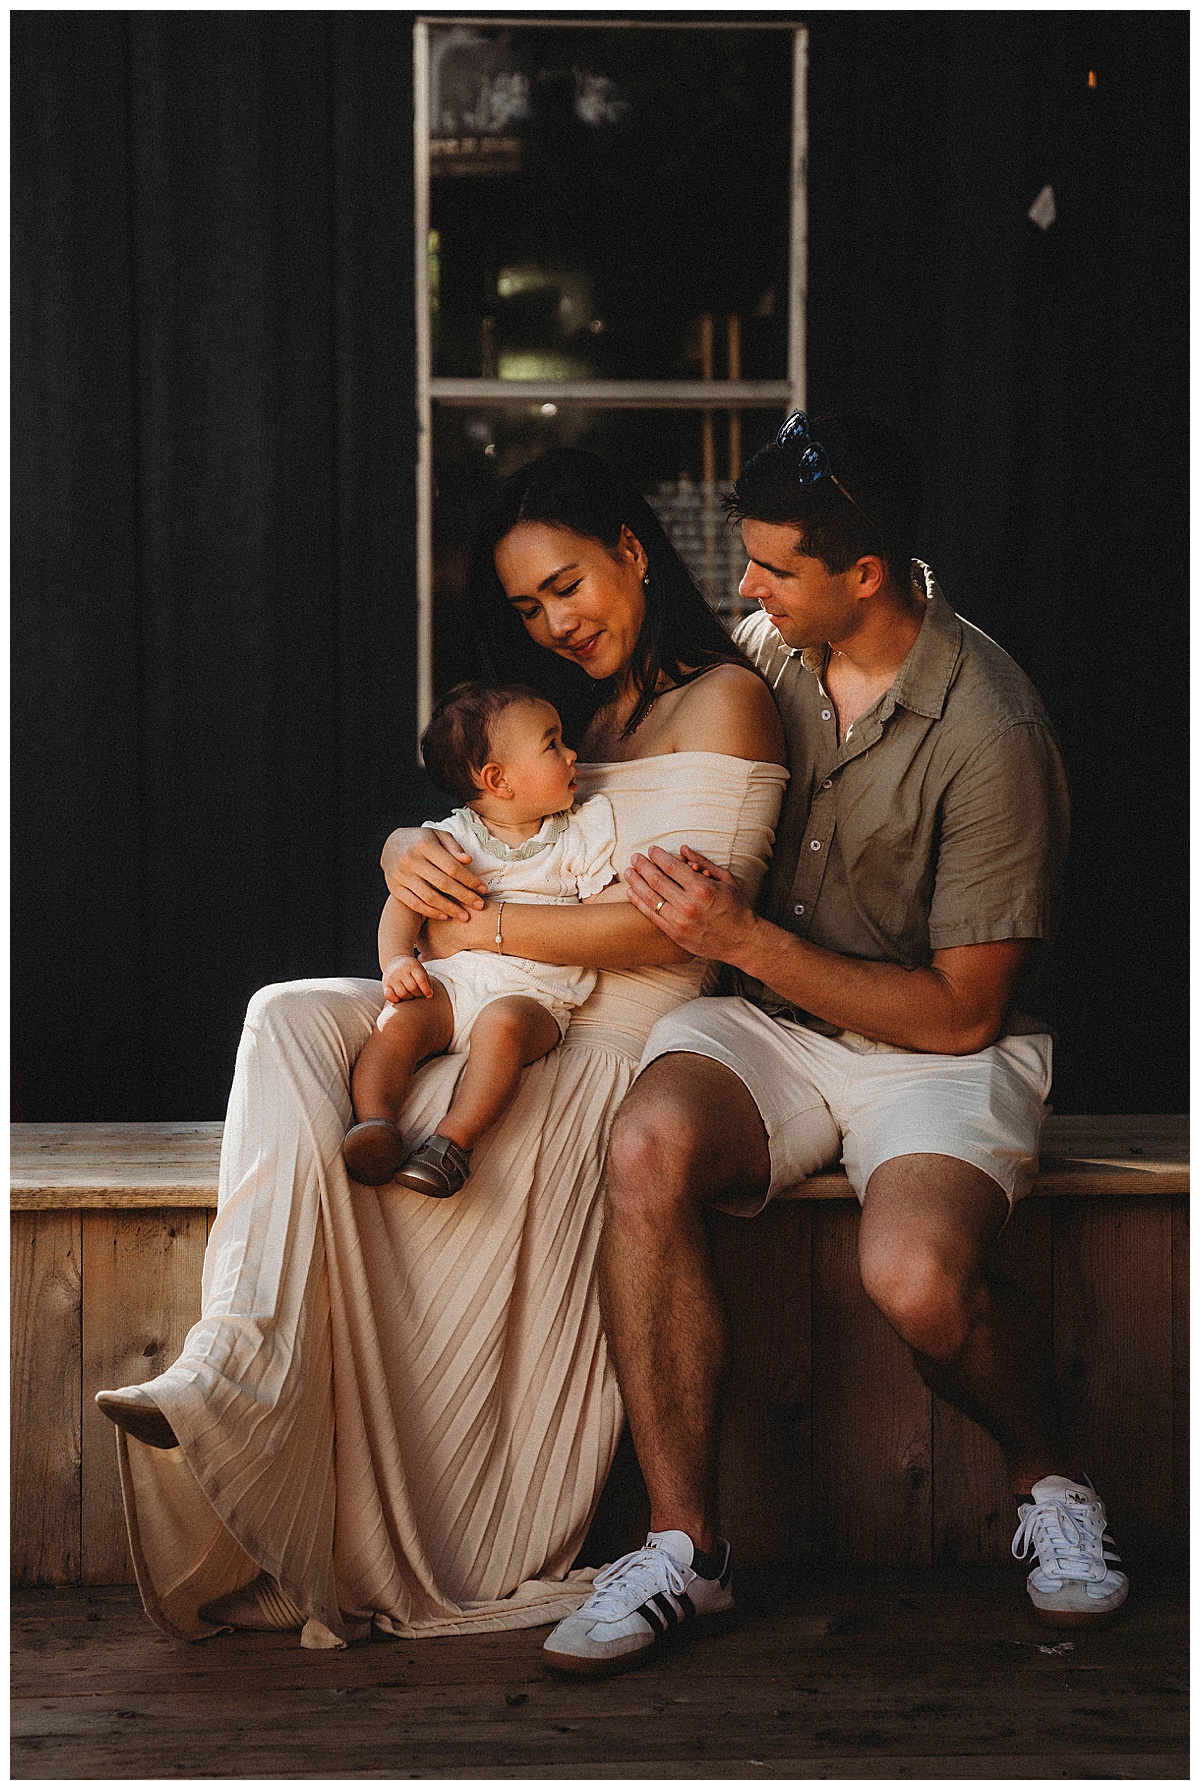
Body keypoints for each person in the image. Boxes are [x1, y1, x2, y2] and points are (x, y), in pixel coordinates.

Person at [94, 447, 787, 1648]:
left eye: (567, 584)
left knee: (462, 1088)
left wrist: (496, 918)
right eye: (527, 606)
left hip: (605, 1035)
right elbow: (492, 826)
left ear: (633, 547)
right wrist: (405, 857)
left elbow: (672, 916)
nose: (555, 623)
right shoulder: (561, 719)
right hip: (482, 982)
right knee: (286, 1015)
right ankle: (231, 1364)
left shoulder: (724, 697)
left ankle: (392, 1487)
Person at [533, 410, 1128, 1677]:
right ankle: (685, 1549)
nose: (742, 585)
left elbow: (965, 1009)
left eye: (772, 565)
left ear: (866, 575)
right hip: (773, 1031)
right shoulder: (759, 660)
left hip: (937, 1053)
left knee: (913, 1276)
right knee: (642, 1145)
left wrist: (739, 936)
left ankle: (1053, 1478)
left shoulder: (993, 728)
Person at [345, 682, 622, 1196]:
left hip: (537, 997)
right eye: (552, 744)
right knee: (397, 1023)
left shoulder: (582, 829)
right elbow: (403, 905)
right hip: (455, 984)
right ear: (499, 780)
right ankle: (374, 1124)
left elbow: (603, 921)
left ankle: (451, 1143)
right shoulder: (454, 840)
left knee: (501, 1027)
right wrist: (394, 963)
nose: (572, 754)